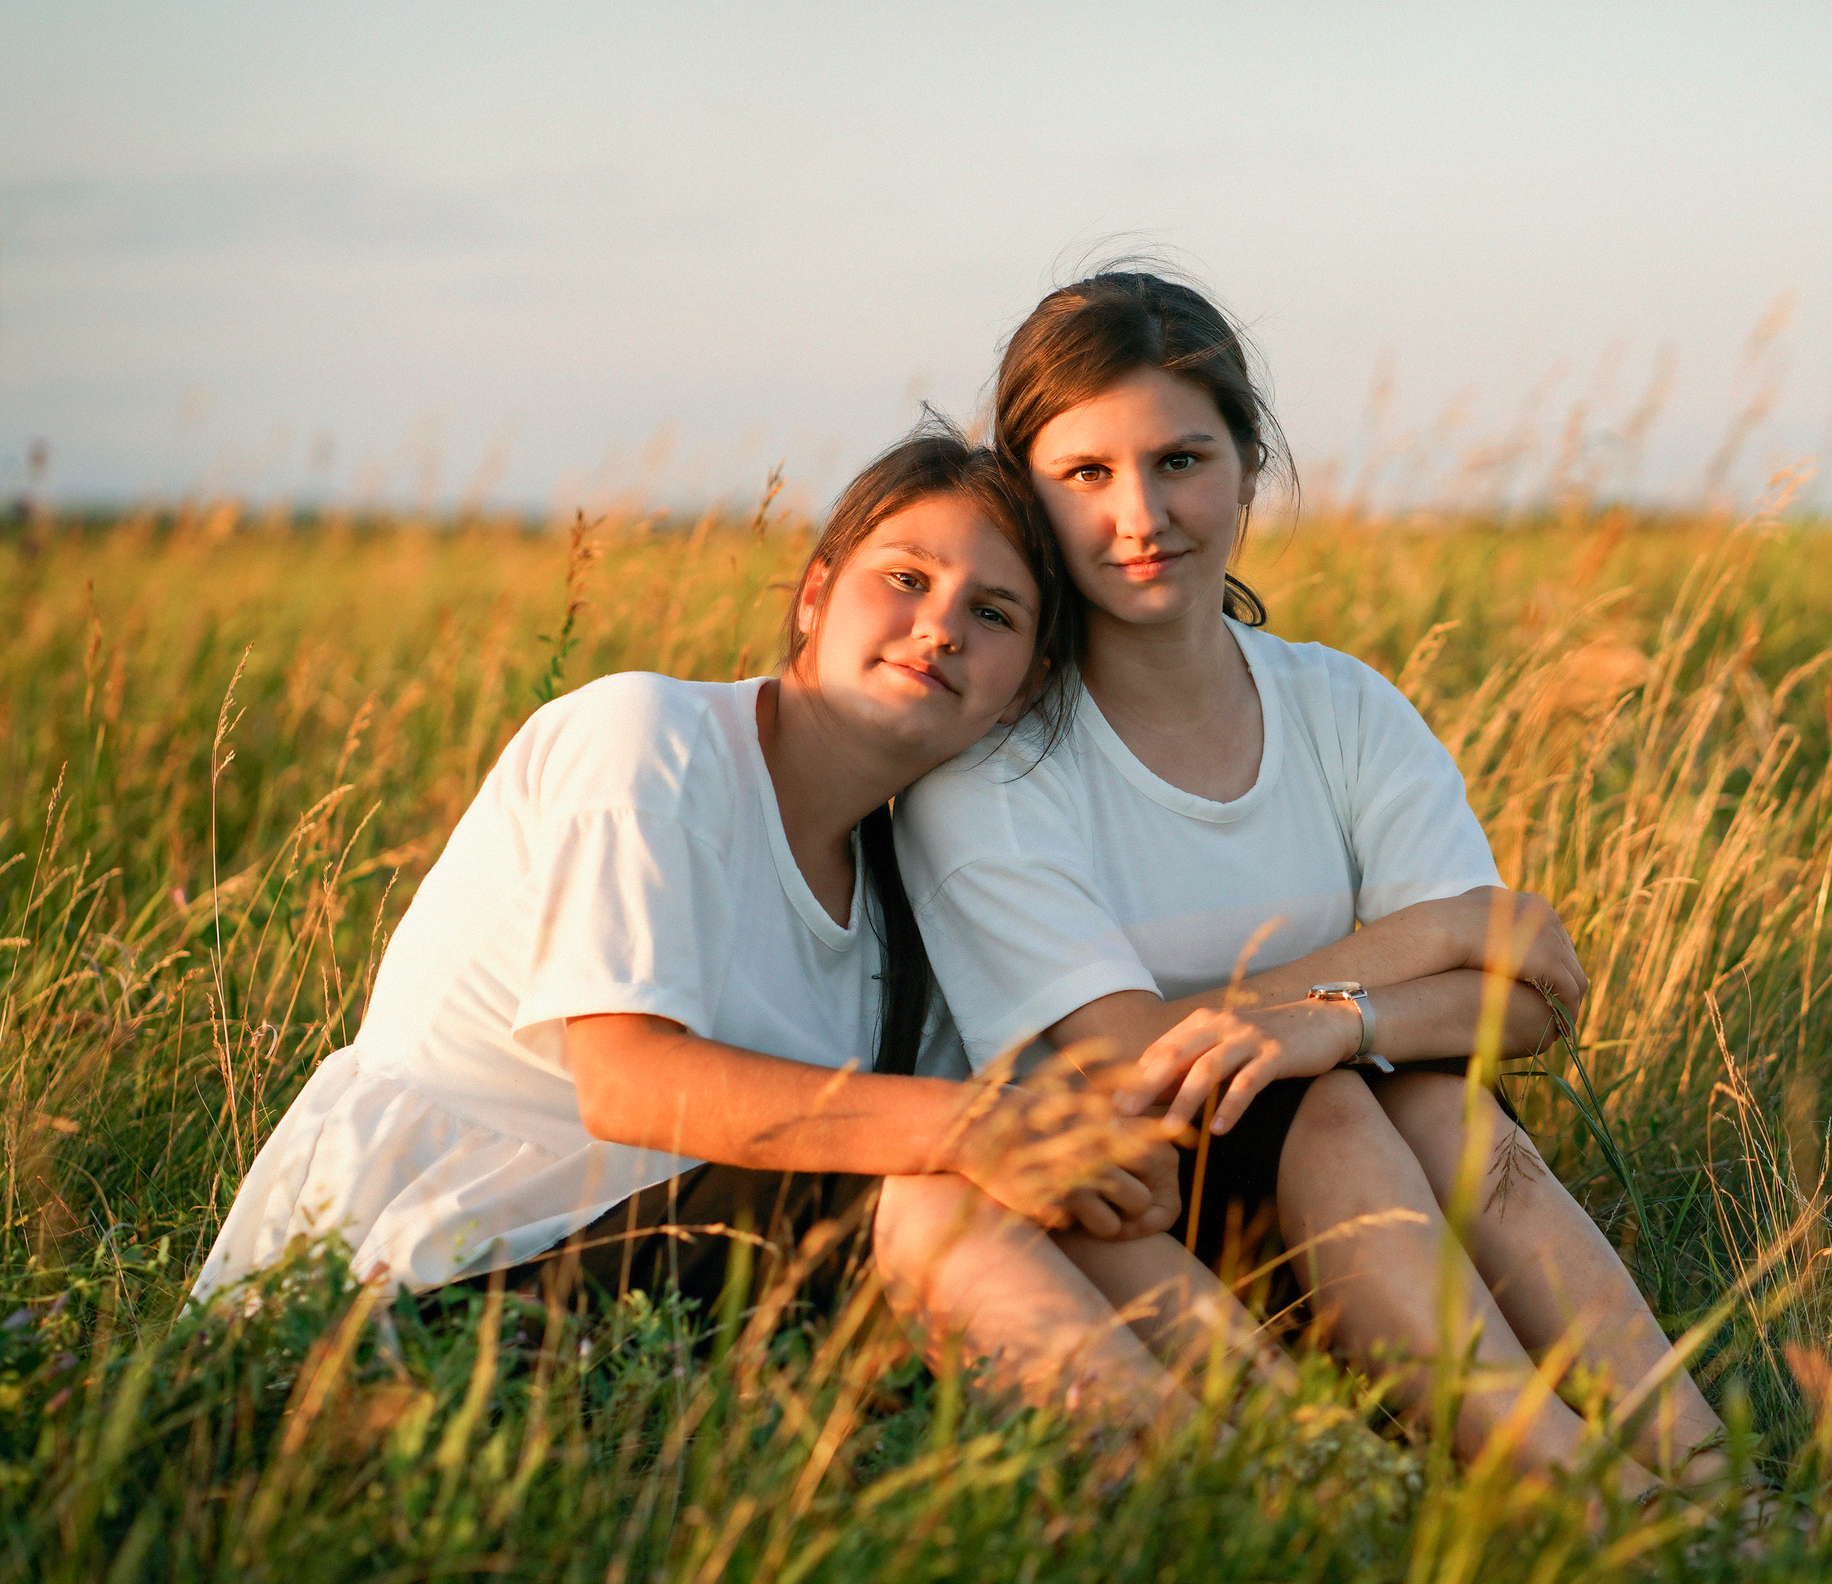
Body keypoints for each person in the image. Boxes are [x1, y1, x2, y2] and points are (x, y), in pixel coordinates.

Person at [191, 425, 1245, 1431]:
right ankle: (1203, 1496)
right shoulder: (649, 741)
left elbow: (979, 1121)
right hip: (417, 1280)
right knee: (933, 1174)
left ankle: (1305, 1459)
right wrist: (977, 1129)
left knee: (1022, 1169)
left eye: (996, 614)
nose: (941, 628)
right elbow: (628, 1080)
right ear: (815, 597)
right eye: (907, 579)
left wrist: (1088, 1152)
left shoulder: (905, 882)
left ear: (1027, 691)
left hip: (659, 1282)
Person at [896, 272, 1735, 1500]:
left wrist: (1341, 1022)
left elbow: (1532, 1005)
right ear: (1026, 488)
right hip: (1119, 1244)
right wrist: (1439, 934)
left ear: (1248, 462)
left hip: (1379, 1227)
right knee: (1336, 1100)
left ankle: (1714, 1482)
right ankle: (1574, 1495)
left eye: (1182, 459)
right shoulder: (995, 760)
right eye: (1086, 474)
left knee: (1430, 1106)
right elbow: (1137, 1058)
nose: (1141, 514)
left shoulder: (1339, 706)